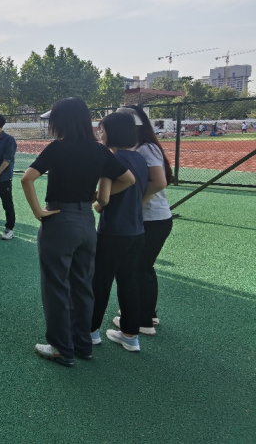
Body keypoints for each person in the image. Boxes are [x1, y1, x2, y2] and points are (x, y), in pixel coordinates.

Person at [21, 98, 135, 367]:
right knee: (83, 286)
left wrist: (38, 212)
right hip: (86, 222)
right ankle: (83, 345)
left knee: (56, 287)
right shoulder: (99, 150)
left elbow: (27, 178)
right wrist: (96, 196)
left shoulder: (57, 148)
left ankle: (61, 348)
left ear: (61, 121)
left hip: (59, 221)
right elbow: (128, 180)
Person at [89, 112, 149, 353]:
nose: (99, 133)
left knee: (100, 282)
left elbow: (103, 198)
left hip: (113, 231)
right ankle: (130, 336)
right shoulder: (140, 158)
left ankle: (90, 331)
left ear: (111, 133)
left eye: (102, 130)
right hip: (136, 231)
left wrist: (96, 202)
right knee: (129, 282)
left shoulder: (111, 159)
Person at [118, 105, 177, 336]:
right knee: (143, 268)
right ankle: (147, 314)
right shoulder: (139, 147)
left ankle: (142, 320)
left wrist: (135, 201)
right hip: (153, 219)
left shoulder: (146, 148)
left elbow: (159, 182)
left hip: (151, 219)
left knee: (137, 269)